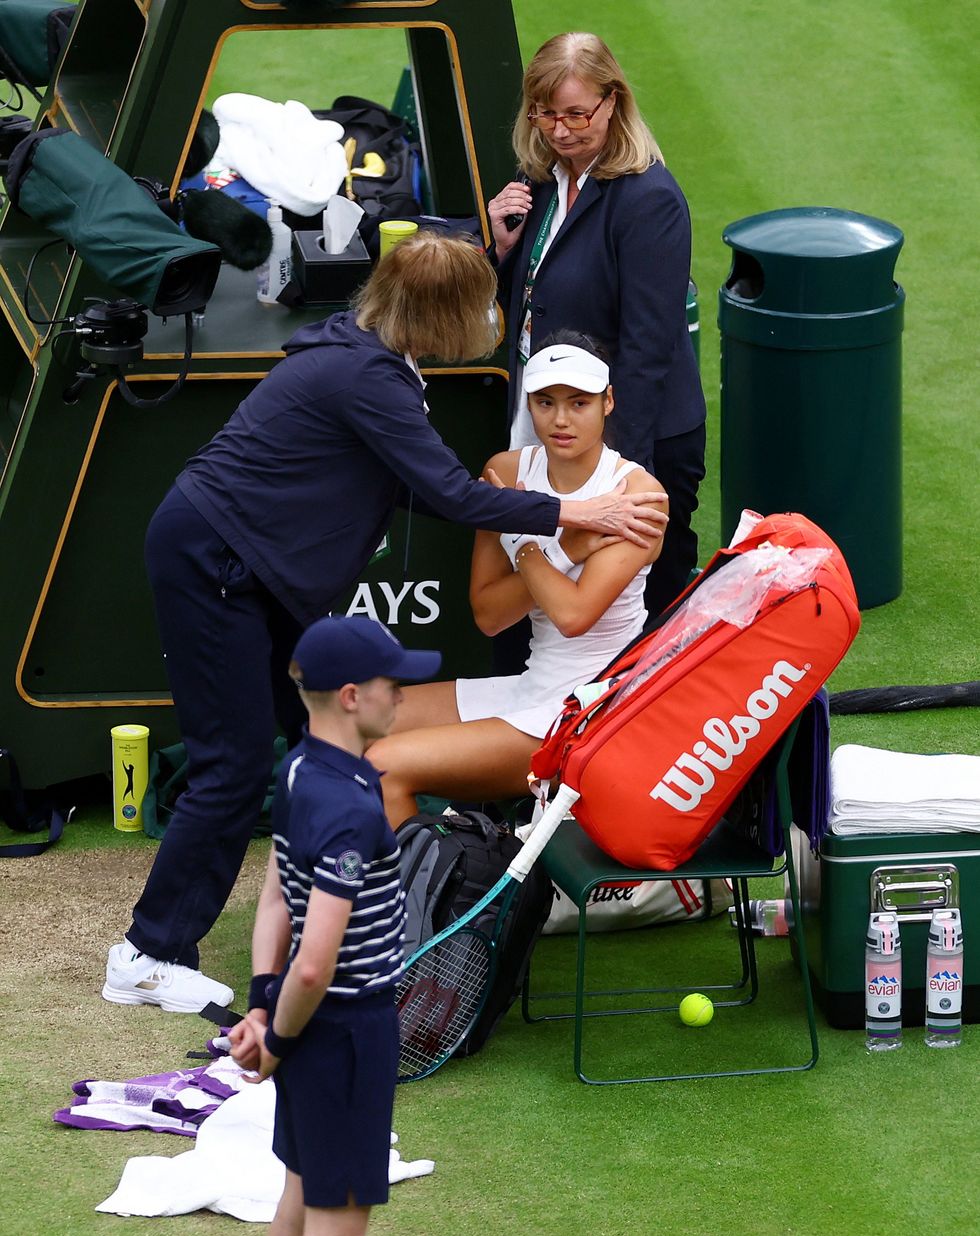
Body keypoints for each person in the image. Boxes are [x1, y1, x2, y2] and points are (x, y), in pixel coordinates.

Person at [102, 232, 668, 1013]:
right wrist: (575, 511)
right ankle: (149, 951)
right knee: (231, 763)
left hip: (239, 563)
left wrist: (522, 513)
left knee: (316, 744)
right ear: (443, 319)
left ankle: (326, 923)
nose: (491, 319)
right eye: (481, 308)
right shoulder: (369, 377)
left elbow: (420, 486)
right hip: (219, 566)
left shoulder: (363, 352)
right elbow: (453, 498)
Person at [367, 332, 667, 828]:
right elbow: (489, 615)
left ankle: (417, 903)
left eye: (579, 402)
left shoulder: (637, 495)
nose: (561, 419)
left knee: (383, 766)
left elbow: (573, 614)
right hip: (532, 687)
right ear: (529, 404)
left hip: (589, 713)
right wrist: (567, 544)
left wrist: (522, 535)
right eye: (545, 403)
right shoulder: (506, 470)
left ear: (608, 402)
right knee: (350, 726)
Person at [228, 615, 438, 1236]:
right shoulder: (350, 808)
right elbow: (316, 962)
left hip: (303, 1024)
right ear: (352, 697)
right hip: (346, 1033)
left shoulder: (296, 771)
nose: (401, 694)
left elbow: (274, 900)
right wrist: (279, 1044)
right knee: (337, 1213)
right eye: (391, 683)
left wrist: (264, 1009)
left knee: (301, 1188)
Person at [488, 31, 706, 618]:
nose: (560, 130)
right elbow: (531, 292)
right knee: (549, 597)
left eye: (577, 114)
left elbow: (647, 346)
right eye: (546, 113)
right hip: (558, 422)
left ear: (614, 102)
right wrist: (499, 248)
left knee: (632, 622)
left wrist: (615, 472)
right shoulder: (540, 180)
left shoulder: (650, 200)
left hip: (635, 436)